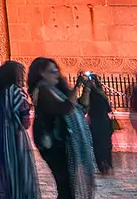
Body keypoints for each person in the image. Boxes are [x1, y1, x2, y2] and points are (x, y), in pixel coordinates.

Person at [28, 57, 94, 199]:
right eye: (52, 71)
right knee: (65, 185)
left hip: (63, 141)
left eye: (57, 70)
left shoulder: (57, 90)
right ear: (41, 73)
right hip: (53, 143)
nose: (56, 73)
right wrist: (76, 88)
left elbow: (81, 108)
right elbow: (65, 108)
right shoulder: (43, 89)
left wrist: (86, 88)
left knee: (68, 185)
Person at [0, 61, 40, 199]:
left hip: (3, 142)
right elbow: (25, 122)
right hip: (17, 142)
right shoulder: (17, 92)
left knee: (9, 182)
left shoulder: (0, 93)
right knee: (22, 179)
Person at [80, 72, 114, 175]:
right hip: (104, 121)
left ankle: (101, 165)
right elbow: (108, 108)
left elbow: (84, 106)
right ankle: (107, 164)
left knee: (97, 144)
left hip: (96, 122)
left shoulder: (90, 94)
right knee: (106, 144)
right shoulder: (102, 93)